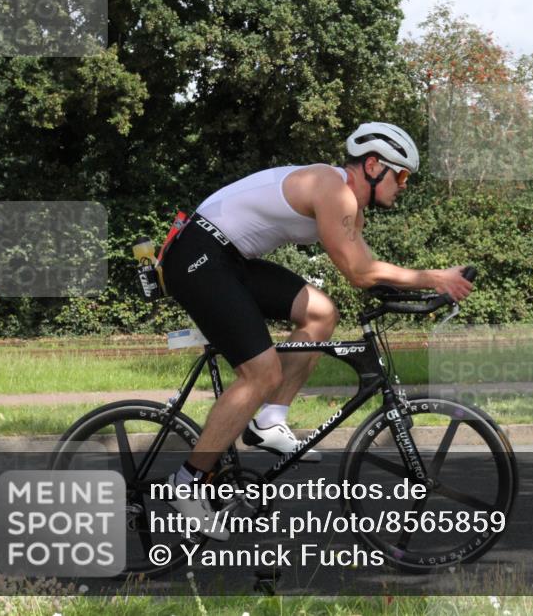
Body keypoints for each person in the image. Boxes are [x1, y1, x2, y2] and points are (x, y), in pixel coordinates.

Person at [159, 122, 472, 540]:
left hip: (230, 259)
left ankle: (269, 420)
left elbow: (372, 275)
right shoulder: (334, 189)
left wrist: (419, 299)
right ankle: (189, 482)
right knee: (261, 372)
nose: (404, 186)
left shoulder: (351, 211)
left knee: (322, 313)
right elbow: (360, 272)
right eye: (401, 175)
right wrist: (435, 278)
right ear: (374, 165)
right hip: (198, 254)